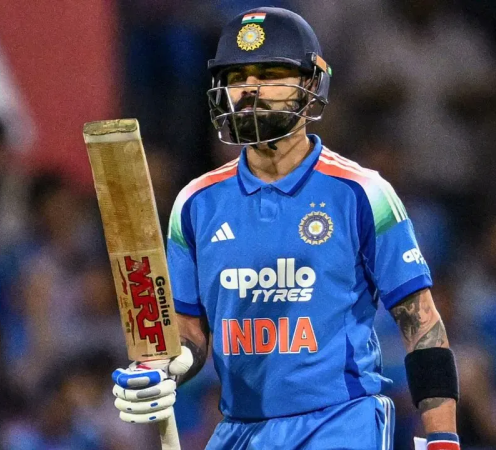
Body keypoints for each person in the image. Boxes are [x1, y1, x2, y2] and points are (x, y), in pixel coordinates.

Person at [111, 7, 460, 449]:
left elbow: (422, 324)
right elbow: (189, 329)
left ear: (311, 85)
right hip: (241, 427)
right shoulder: (195, 204)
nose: (250, 88)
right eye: (236, 77)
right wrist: (166, 368)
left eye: (270, 73)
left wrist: (442, 438)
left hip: (340, 423)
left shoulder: (363, 194)